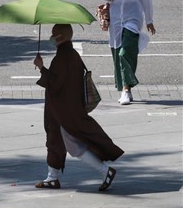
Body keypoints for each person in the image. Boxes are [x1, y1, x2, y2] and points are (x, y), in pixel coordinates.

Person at [33, 24, 124, 191]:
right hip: (65, 110)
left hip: (63, 113)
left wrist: (41, 67)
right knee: (56, 142)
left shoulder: (63, 57)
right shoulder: (70, 54)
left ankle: (104, 171)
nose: (51, 37)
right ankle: (52, 178)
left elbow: (54, 83)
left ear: (60, 37)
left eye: (53, 34)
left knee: (73, 146)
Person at [101, 0, 156, 105]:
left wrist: (150, 20)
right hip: (116, 17)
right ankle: (126, 88)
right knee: (117, 53)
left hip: (134, 17)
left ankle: (125, 90)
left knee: (125, 52)